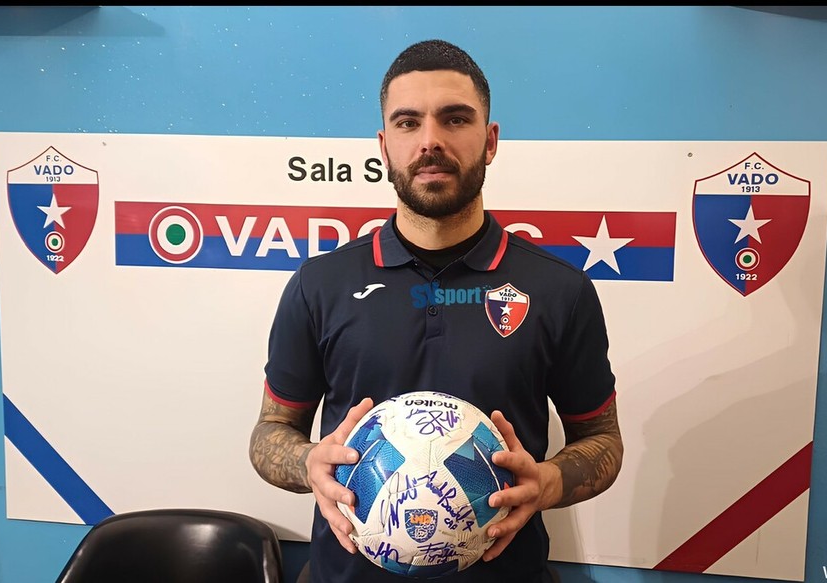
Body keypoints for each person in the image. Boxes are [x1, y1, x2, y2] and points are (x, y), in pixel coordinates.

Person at [249, 38, 623, 583]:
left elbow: (603, 440)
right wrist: (309, 464)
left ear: (490, 141)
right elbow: (271, 431)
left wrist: (547, 482)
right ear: (384, 146)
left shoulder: (559, 289)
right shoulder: (320, 284)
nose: (430, 141)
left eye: (455, 119)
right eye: (408, 122)